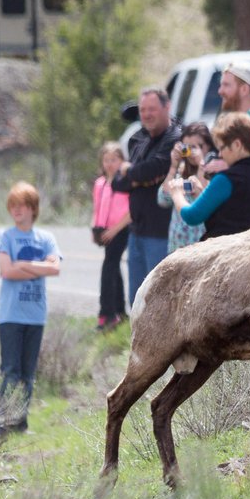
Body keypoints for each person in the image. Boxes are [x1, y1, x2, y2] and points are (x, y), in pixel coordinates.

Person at [0, 181, 62, 438]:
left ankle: (20, 423)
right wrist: (36, 265)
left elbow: (55, 269)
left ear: (33, 208)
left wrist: (23, 263)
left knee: (28, 374)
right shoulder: (5, 236)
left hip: (35, 315)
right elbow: (7, 271)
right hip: (10, 315)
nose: (17, 210)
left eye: (22, 205)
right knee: (11, 371)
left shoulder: (46, 238)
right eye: (13, 206)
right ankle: (2, 422)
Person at [111, 87, 179, 307]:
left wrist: (132, 172)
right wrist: (139, 176)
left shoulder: (175, 137)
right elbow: (118, 182)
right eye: (142, 110)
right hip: (136, 232)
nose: (147, 114)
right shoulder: (137, 139)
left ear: (166, 107)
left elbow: (153, 169)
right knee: (137, 302)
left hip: (160, 233)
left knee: (158, 301)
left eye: (152, 109)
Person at [168, 111, 250, 239]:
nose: (220, 154)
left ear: (237, 144)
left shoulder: (226, 179)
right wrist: (201, 193)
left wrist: (176, 194)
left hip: (227, 255)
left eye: (222, 148)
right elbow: (235, 212)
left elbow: (192, 216)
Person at [157, 121, 217, 253]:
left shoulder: (216, 172)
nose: (191, 151)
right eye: (187, 146)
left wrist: (202, 164)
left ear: (209, 146)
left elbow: (205, 200)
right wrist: (173, 166)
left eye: (198, 146)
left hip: (199, 249)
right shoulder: (180, 172)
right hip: (176, 249)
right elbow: (162, 199)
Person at [92, 142, 132, 331]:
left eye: (114, 160)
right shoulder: (100, 183)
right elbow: (97, 207)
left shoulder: (124, 182)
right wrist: (95, 228)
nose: (110, 164)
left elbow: (131, 211)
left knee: (108, 267)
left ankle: (106, 313)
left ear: (121, 161)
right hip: (104, 229)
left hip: (121, 229)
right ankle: (120, 312)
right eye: (106, 160)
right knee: (114, 267)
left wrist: (114, 230)